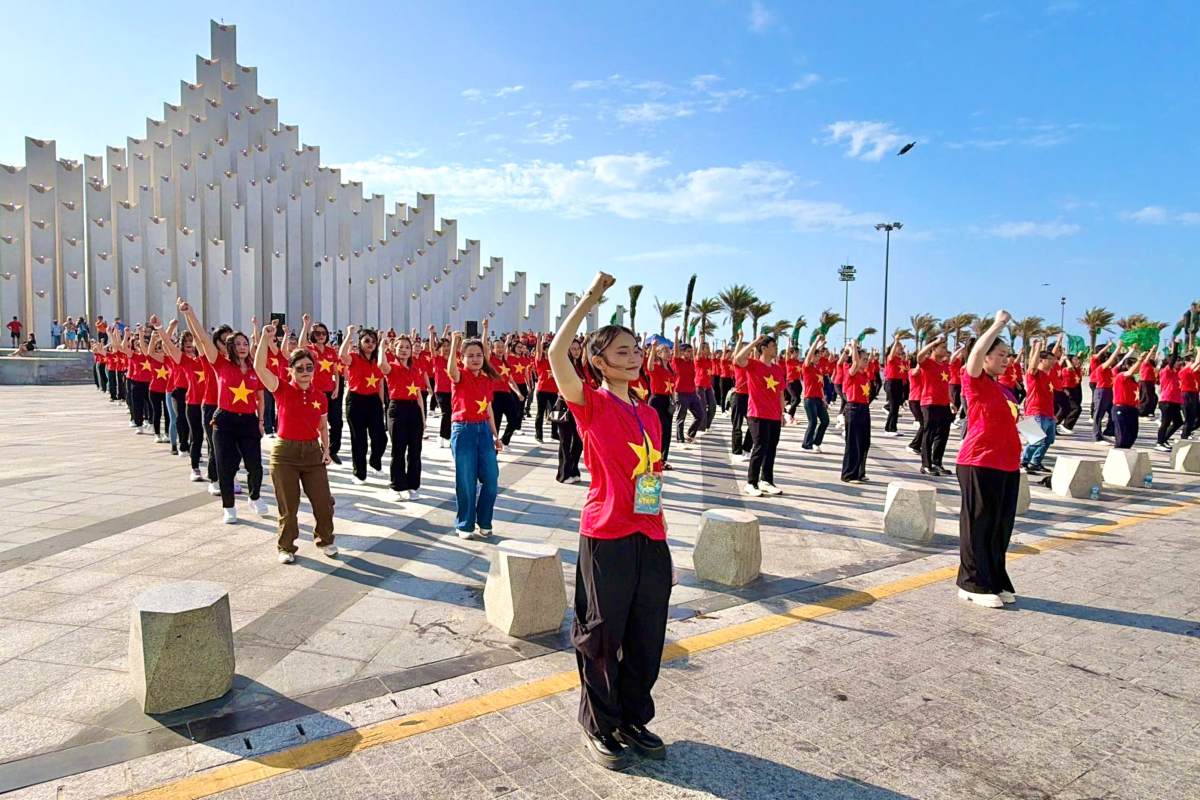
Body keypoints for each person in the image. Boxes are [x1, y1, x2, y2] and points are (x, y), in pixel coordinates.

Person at [550, 271, 671, 770]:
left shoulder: (650, 412)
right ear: (598, 362)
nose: (634, 357)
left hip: (651, 532)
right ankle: (599, 724)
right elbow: (557, 355)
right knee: (601, 633)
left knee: (647, 630)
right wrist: (589, 302)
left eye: (635, 350)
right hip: (607, 532)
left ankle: (632, 716)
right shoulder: (591, 404)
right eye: (621, 352)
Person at [253, 321, 337, 563]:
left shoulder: (320, 396)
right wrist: (264, 339)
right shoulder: (281, 389)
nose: (305, 372)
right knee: (289, 508)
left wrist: (326, 450)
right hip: (285, 453)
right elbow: (260, 367)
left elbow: (323, 426)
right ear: (291, 370)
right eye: (299, 368)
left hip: (312, 452)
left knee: (323, 503)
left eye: (309, 367)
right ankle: (286, 547)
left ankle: (325, 539)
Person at [180, 299, 267, 524]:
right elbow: (201, 338)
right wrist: (190, 314)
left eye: (244, 343)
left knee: (255, 465)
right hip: (224, 420)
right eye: (237, 343)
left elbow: (259, 396)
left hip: (248, 420)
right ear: (230, 346)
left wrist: (261, 421)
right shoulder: (220, 364)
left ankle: (254, 496)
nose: (241, 347)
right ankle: (229, 507)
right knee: (225, 466)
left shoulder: (254, 369)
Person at [956, 310, 1021, 609]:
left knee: (999, 527)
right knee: (978, 525)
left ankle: (995, 579)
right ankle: (971, 583)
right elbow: (975, 354)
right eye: (1000, 354)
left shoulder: (1004, 389)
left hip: (1008, 464)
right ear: (984, 357)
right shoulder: (975, 381)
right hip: (979, 462)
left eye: (1009, 355)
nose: (1006, 359)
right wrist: (998, 325)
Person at [446, 328, 503, 539]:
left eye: (479, 355)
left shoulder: (487, 379)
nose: (475, 359)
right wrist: (454, 343)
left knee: (491, 478)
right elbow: (451, 370)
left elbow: (488, 408)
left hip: (483, 431)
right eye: (470, 355)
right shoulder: (460, 376)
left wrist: (495, 435)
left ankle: (485, 520)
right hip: (463, 431)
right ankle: (465, 524)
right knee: (466, 480)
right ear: (463, 358)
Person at [734, 333, 787, 497]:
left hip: (774, 415)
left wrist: (782, 413)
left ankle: (766, 481)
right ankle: (751, 482)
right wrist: (755, 341)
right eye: (773, 346)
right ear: (763, 348)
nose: (776, 348)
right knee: (759, 447)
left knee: (771, 448)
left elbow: (780, 393)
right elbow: (737, 359)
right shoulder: (754, 365)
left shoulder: (777, 369)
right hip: (757, 414)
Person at [379, 333, 426, 501]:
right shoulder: (391, 366)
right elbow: (381, 364)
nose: (404, 350)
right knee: (398, 449)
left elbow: (419, 394)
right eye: (401, 347)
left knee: (415, 450)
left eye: (407, 347)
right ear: (394, 349)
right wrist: (381, 347)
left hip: (414, 410)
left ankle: (413, 485)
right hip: (397, 409)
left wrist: (423, 417)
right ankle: (396, 486)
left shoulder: (415, 369)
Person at [339, 325, 387, 484]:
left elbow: (380, 384)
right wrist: (348, 334)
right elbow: (341, 355)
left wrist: (381, 403)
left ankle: (375, 462)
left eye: (373, 341)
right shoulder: (354, 357)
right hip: (356, 401)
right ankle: (359, 473)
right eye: (367, 341)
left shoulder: (377, 361)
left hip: (373, 401)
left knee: (380, 437)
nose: (370, 344)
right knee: (359, 439)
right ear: (360, 342)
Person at [299, 316, 343, 465]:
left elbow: (336, 371)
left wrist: (337, 387)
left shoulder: (331, 351)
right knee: (313, 422)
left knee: (336, 422)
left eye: (324, 333)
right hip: (314, 392)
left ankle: (332, 450)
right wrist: (306, 325)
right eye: (317, 333)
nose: (321, 336)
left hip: (330, 391)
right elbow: (300, 344)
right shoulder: (310, 349)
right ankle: (313, 449)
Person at [916, 335, 959, 477]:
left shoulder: (945, 366)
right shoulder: (928, 363)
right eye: (943, 347)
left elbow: (946, 386)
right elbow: (919, 356)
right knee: (929, 433)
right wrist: (934, 341)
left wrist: (951, 401)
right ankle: (925, 464)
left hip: (944, 404)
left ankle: (937, 462)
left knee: (943, 434)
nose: (946, 350)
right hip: (929, 403)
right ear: (934, 348)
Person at [1020, 337, 1060, 474]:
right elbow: (1031, 366)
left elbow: (1049, 398)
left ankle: (1035, 463)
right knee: (1035, 440)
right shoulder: (1034, 375)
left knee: (1048, 440)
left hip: (1047, 414)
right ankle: (1023, 461)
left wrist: (1053, 415)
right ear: (1041, 360)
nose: (1054, 361)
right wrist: (1037, 347)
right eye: (1050, 359)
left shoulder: (1047, 377)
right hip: (1034, 412)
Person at [554, 338, 587, 484]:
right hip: (564, 406)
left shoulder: (581, 366)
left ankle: (573, 469)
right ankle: (564, 473)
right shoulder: (563, 366)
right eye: (573, 348)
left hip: (579, 407)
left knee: (579, 440)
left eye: (578, 349)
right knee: (565, 441)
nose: (576, 351)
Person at [839, 340, 873, 483]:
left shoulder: (865, 375)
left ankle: (859, 472)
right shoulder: (850, 372)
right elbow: (854, 364)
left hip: (864, 408)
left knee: (865, 442)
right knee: (853, 443)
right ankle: (848, 474)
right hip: (853, 409)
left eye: (867, 359)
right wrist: (853, 347)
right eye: (863, 359)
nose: (866, 362)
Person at [1111, 345, 1152, 450]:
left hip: (1132, 409)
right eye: (1135, 366)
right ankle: (1118, 455)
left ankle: (1126, 454)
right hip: (1121, 408)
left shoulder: (1133, 380)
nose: (1138, 368)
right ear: (1128, 366)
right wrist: (1139, 360)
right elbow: (1129, 372)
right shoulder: (1120, 376)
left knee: (1132, 434)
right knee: (1122, 436)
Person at [645, 341, 678, 468]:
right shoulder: (656, 367)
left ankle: (663, 460)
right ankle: (652, 458)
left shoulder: (670, 370)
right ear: (659, 354)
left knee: (667, 431)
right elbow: (649, 367)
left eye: (669, 351)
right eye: (665, 351)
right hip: (656, 400)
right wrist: (653, 348)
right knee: (659, 430)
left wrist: (674, 400)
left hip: (667, 401)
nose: (669, 353)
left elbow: (673, 387)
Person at [671, 332, 705, 443]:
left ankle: (690, 434)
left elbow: (698, 353)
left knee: (699, 415)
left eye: (691, 351)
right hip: (680, 393)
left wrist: (700, 340)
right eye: (688, 351)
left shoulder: (692, 362)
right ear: (682, 352)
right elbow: (676, 350)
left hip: (692, 394)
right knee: (681, 417)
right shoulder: (677, 361)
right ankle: (680, 439)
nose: (691, 353)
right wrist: (676, 334)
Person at [800, 336, 830, 452]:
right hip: (809, 399)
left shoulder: (818, 370)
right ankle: (806, 444)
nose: (818, 357)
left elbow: (820, 387)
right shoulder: (806, 367)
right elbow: (810, 354)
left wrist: (824, 400)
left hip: (818, 399)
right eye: (816, 355)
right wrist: (817, 341)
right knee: (813, 422)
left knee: (825, 421)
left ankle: (816, 442)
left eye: (818, 355)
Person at [533, 334, 560, 445]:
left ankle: (554, 434)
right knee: (540, 412)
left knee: (555, 413)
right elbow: (538, 352)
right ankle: (538, 435)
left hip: (554, 391)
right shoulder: (540, 361)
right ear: (545, 351)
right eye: (547, 350)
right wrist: (539, 340)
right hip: (542, 390)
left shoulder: (556, 362)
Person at [1156, 353, 1184, 453]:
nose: (1179, 363)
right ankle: (1159, 442)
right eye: (1177, 361)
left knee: (1178, 422)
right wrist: (1176, 345)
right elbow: (1172, 361)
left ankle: (1164, 439)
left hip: (1175, 401)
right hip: (1166, 400)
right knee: (1165, 422)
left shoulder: (1177, 373)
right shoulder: (1166, 371)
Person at [1090, 342, 1116, 442]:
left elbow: (1120, 361)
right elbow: (1100, 354)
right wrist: (1111, 346)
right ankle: (1097, 435)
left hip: (1108, 391)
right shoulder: (1097, 362)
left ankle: (1108, 431)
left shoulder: (1109, 368)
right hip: (1099, 387)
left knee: (1112, 412)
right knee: (1099, 413)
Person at [882, 335, 906, 435]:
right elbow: (891, 354)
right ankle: (888, 428)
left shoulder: (899, 359)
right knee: (893, 407)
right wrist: (896, 341)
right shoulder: (890, 358)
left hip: (898, 383)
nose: (901, 349)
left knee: (896, 406)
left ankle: (894, 428)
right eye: (899, 347)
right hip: (891, 382)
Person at [1181, 350, 1200, 440]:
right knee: (1189, 417)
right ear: (1186, 362)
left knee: (1194, 417)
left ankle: (1187, 431)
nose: (1193, 364)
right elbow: (1198, 362)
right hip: (1187, 395)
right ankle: (1185, 435)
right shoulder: (1184, 371)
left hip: (1194, 394)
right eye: (1191, 361)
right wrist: (1199, 351)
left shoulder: (1192, 371)